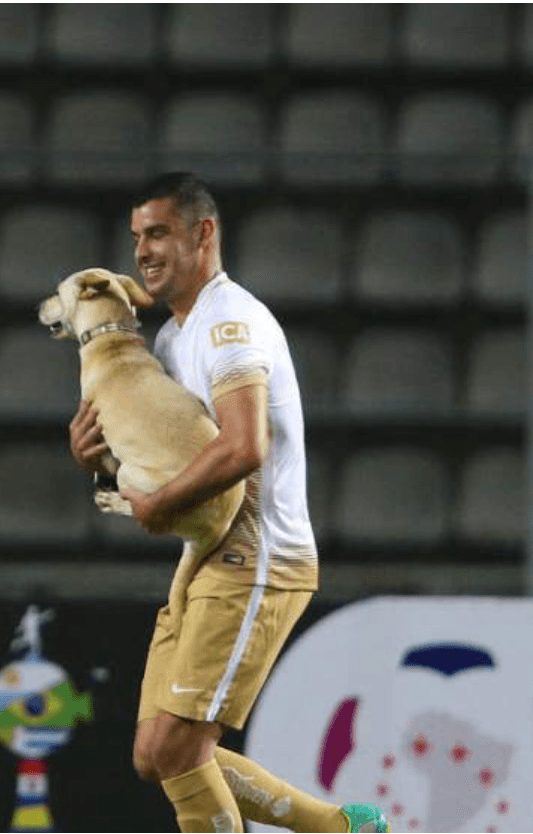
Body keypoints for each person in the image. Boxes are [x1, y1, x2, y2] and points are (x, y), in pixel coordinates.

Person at [69, 172, 387, 833]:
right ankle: (341, 829)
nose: (143, 252)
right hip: (209, 556)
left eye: (158, 232)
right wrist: (97, 465)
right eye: (136, 237)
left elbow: (245, 447)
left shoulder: (228, 323)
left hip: (258, 556)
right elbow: (160, 465)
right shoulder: (170, 340)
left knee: (181, 751)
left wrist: (157, 507)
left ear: (203, 233)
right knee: (156, 755)